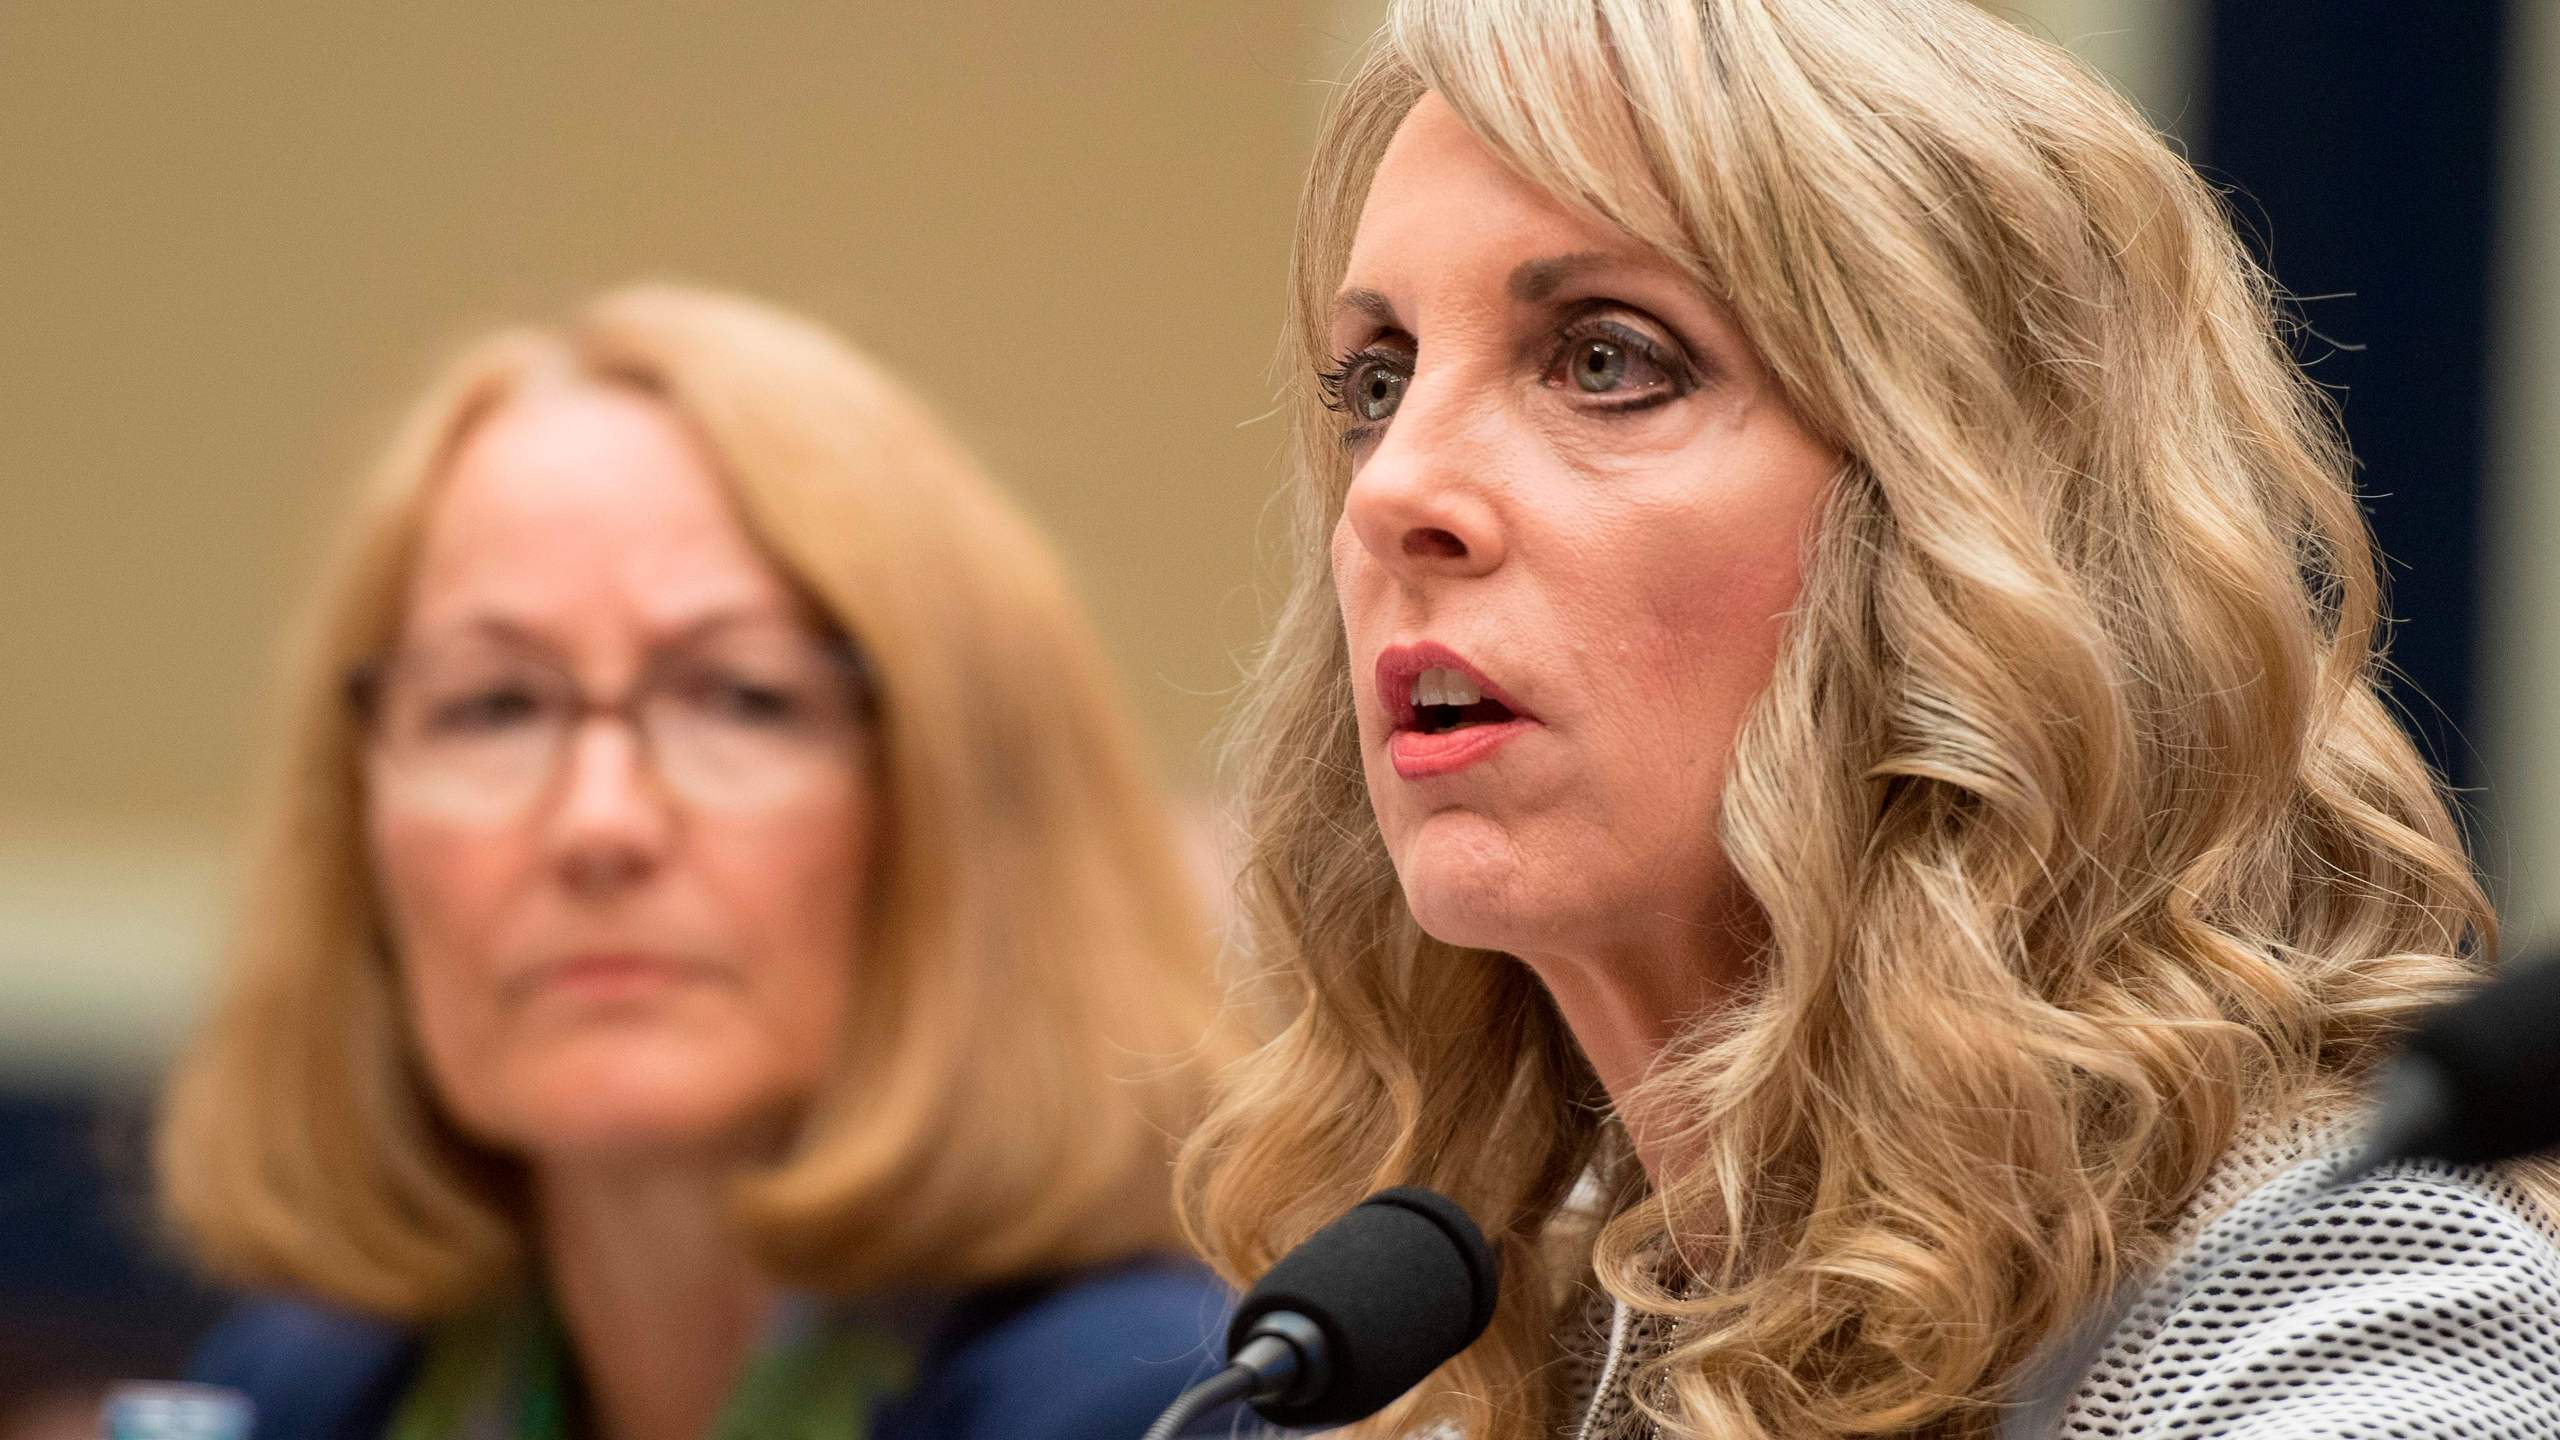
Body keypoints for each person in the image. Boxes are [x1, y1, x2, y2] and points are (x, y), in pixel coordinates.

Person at [1176, 2, 2560, 1437]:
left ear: (1979, 521)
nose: (1395, 490)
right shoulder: (1517, 1326)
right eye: (1378, 384)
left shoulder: (2331, 1315)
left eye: (1605, 360)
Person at [156, 285, 1234, 1440]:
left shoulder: (1158, 1408)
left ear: (968, 821)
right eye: (493, 706)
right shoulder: (310, 1390)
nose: (597, 823)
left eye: (741, 698)